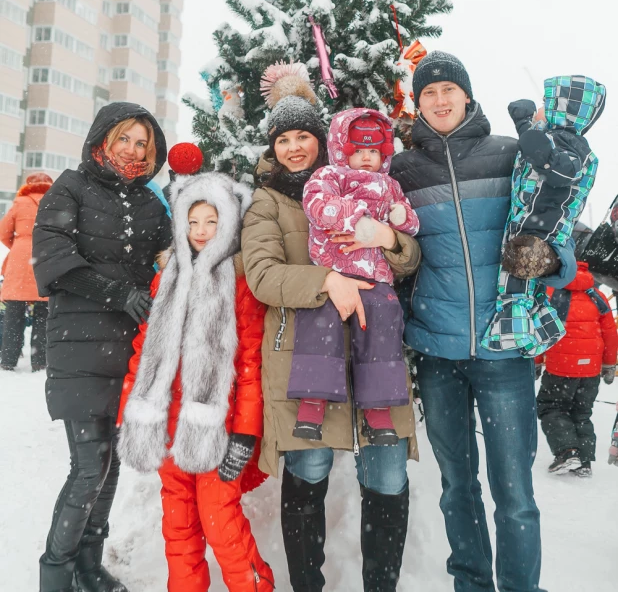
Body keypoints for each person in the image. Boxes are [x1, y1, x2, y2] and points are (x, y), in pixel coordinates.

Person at [390, 51, 576, 592]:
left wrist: (554, 261)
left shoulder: (511, 155)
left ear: (467, 97)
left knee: (515, 492)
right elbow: (396, 257)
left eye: (449, 90)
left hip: (503, 351)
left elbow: (554, 223)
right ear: (418, 103)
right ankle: (471, 584)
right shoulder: (402, 170)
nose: (440, 100)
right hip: (437, 353)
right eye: (429, 93)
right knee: (457, 487)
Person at [242, 63, 421, 592]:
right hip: (304, 358)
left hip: (378, 361)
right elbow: (263, 276)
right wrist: (328, 281)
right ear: (272, 147)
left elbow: (409, 258)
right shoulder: (267, 204)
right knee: (309, 474)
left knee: (387, 478)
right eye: (284, 139)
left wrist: (390, 241)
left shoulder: (372, 185)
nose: (295, 147)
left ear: (325, 141)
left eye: (304, 136)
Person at [118, 149, 274, 592]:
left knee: (221, 523)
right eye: (193, 221)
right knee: (179, 530)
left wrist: (245, 432)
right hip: (164, 428)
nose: (202, 231)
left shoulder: (239, 283)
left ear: (228, 224)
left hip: (216, 431)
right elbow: (143, 351)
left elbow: (250, 364)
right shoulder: (165, 279)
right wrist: (130, 410)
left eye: (212, 221)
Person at [33, 102, 171, 592]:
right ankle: (55, 573)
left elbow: (170, 260)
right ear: (104, 140)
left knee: (109, 465)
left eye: (142, 143)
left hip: (127, 351)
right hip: (78, 345)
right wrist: (118, 294)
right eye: (125, 139)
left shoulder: (153, 204)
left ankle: (89, 569)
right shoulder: (69, 188)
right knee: (89, 464)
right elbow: (52, 264)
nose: (133, 149)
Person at [289, 108, 419, 445]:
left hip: (375, 276)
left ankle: (378, 411)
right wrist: (356, 215)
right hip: (334, 269)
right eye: (358, 151)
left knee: (385, 319)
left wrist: (399, 217)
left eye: (373, 152)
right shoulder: (330, 176)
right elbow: (318, 205)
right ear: (342, 150)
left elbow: (412, 225)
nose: (366, 158)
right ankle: (312, 403)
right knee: (319, 321)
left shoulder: (391, 186)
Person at [483, 77, 606, 356]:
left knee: (515, 282)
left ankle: (511, 334)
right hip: (528, 223)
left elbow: (563, 170)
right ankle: (542, 331)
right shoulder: (552, 138)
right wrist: (523, 122)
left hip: (543, 230)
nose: (540, 108)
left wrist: (547, 157)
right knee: (528, 285)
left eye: (543, 104)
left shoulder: (574, 146)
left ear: (561, 109)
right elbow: (534, 146)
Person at [536, 259, 617, 476]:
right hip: (590, 371)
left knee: (551, 407)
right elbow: (610, 333)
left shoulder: (550, 294)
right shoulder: (597, 296)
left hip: (560, 369)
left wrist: (535, 362)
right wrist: (609, 364)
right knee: (581, 413)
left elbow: (543, 331)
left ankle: (567, 452)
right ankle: (584, 463)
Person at [0, 172, 53, 371]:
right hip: (46, 258)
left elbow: (3, 232)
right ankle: (40, 361)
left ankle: (8, 359)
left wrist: (20, 244)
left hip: (19, 261)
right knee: (43, 315)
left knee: (14, 314)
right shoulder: (55, 202)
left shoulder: (20, 202)